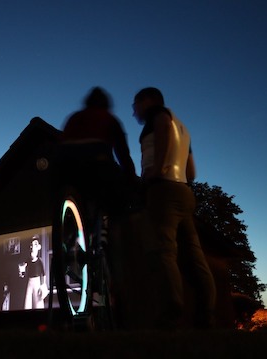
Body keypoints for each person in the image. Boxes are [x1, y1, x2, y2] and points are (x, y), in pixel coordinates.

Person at [132, 87, 216, 330]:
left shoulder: (158, 116)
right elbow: (192, 172)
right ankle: (206, 315)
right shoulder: (184, 128)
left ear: (147, 101)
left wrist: (157, 169)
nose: (134, 112)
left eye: (135, 105)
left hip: (162, 191)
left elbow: (162, 129)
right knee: (194, 256)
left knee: (163, 252)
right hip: (184, 191)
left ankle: (170, 315)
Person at [58, 86, 138, 213]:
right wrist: (132, 179)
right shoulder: (109, 119)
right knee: (117, 203)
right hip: (98, 163)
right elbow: (123, 154)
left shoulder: (74, 118)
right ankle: (114, 224)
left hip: (65, 165)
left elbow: (61, 143)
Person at [23, 236, 48, 309]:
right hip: (29, 282)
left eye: (35, 245)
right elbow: (23, 272)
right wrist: (22, 271)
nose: (32, 247)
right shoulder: (27, 260)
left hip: (37, 282)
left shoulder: (40, 261)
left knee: (38, 302)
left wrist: (42, 285)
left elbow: (43, 274)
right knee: (27, 301)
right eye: (31, 245)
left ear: (38, 247)